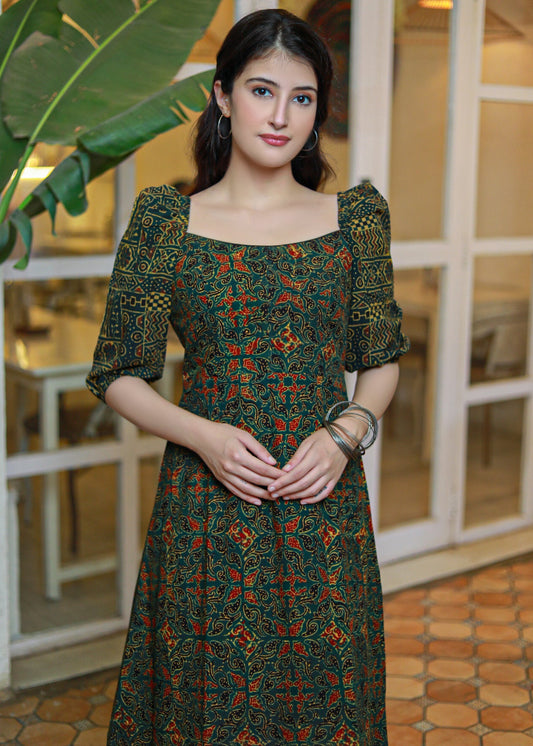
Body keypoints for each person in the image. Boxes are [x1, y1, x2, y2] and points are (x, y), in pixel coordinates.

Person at [87, 8, 409, 745]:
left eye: (302, 98)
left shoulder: (356, 221)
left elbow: (380, 358)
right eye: (262, 91)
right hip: (208, 500)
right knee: (209, 699)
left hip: (322, 494)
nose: (281, 116)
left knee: (329, 697)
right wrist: (205, 437)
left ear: (318, 112)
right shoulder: (164, 223)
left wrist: (345, 435)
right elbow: (119, 373)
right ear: (223, 97)